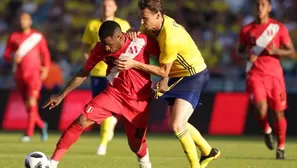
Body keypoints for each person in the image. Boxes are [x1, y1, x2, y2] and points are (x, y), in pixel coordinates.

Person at [115, 0, 220, 167]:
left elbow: (164, 71)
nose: (142, 22)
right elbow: (150, 49)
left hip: (193, 75)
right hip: (175, 74)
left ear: (158, 15)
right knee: (175, 123)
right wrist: (131, 32)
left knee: (178, 125)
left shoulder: (170, 36)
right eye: (141, 18)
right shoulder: (151, 25)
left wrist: (134, 65)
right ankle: (208, 152)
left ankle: (196, 166)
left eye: (145, 18)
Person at [43, 21, 160, 168]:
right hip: (114, 94)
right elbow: (83, 72)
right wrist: (61, 95)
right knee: (82, 120)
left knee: (136, 146)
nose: (106, 48)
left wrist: (165, 80)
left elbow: (165, 63)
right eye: (104, 43)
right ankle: (52, 163)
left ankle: (145, 164)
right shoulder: (100, 48)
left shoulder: (141, 40)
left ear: (119, 37)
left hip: (139, 99)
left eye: (109, 44)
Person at [237, 0, 296, 159]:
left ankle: (281, 147)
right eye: (257, 5)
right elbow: (239, 52)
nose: (259, 8)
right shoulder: (247, 30)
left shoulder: (278, 28)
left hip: (275, 76)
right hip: (255, 74)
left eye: (263, 4)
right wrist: (247, 56)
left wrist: (276, 51)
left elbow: (292, 52)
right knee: (260, 107)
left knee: (278, 113)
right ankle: (267, 130)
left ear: (269, 7)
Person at [81, 0, 131, 156]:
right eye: (103, 5)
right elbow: (85, 46)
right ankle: (107, 132)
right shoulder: (92, 24)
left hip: (116, 73)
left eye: (109, 5)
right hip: (97, 73)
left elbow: (131, 46)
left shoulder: (123, 24)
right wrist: (89, 61)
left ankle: (103, 142)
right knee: (100, 109)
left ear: (115, 7)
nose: (106, 8)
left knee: (109, 109)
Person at [4, 12, 50, 142]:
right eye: (20, 20)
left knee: (31, 102)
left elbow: (45, 53)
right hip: (19, 75)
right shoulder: (13, 37)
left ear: (30, 21)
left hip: (34, 75)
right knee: (28, 105)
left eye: (25, 20)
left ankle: (28, 133)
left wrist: (45, 68)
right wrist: (12, 57)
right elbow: (6, 55)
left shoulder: (37, 36)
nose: (22, 22)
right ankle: (41, 125)